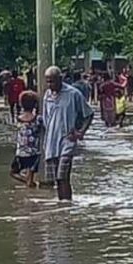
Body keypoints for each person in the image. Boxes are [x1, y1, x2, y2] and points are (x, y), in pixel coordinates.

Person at [41, 66, 94, 201]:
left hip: (67, 141)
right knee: (55, 180)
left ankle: (67, 205)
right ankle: (62, 204)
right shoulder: (47, 95)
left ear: (60, 79)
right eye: (47, 81)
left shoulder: (73, 94)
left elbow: (88, 113)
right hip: (51, 142)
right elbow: (46, 118)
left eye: (52, 81)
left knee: (63, 176)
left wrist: (81, 132)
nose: (50, 85)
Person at [10, 90, 42, 187]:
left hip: (21, 153)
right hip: (34, 153)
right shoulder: (38, 119)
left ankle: (28, 183)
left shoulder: (18, 119)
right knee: (30, 175)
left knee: (13, 173)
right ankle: (30, 184)